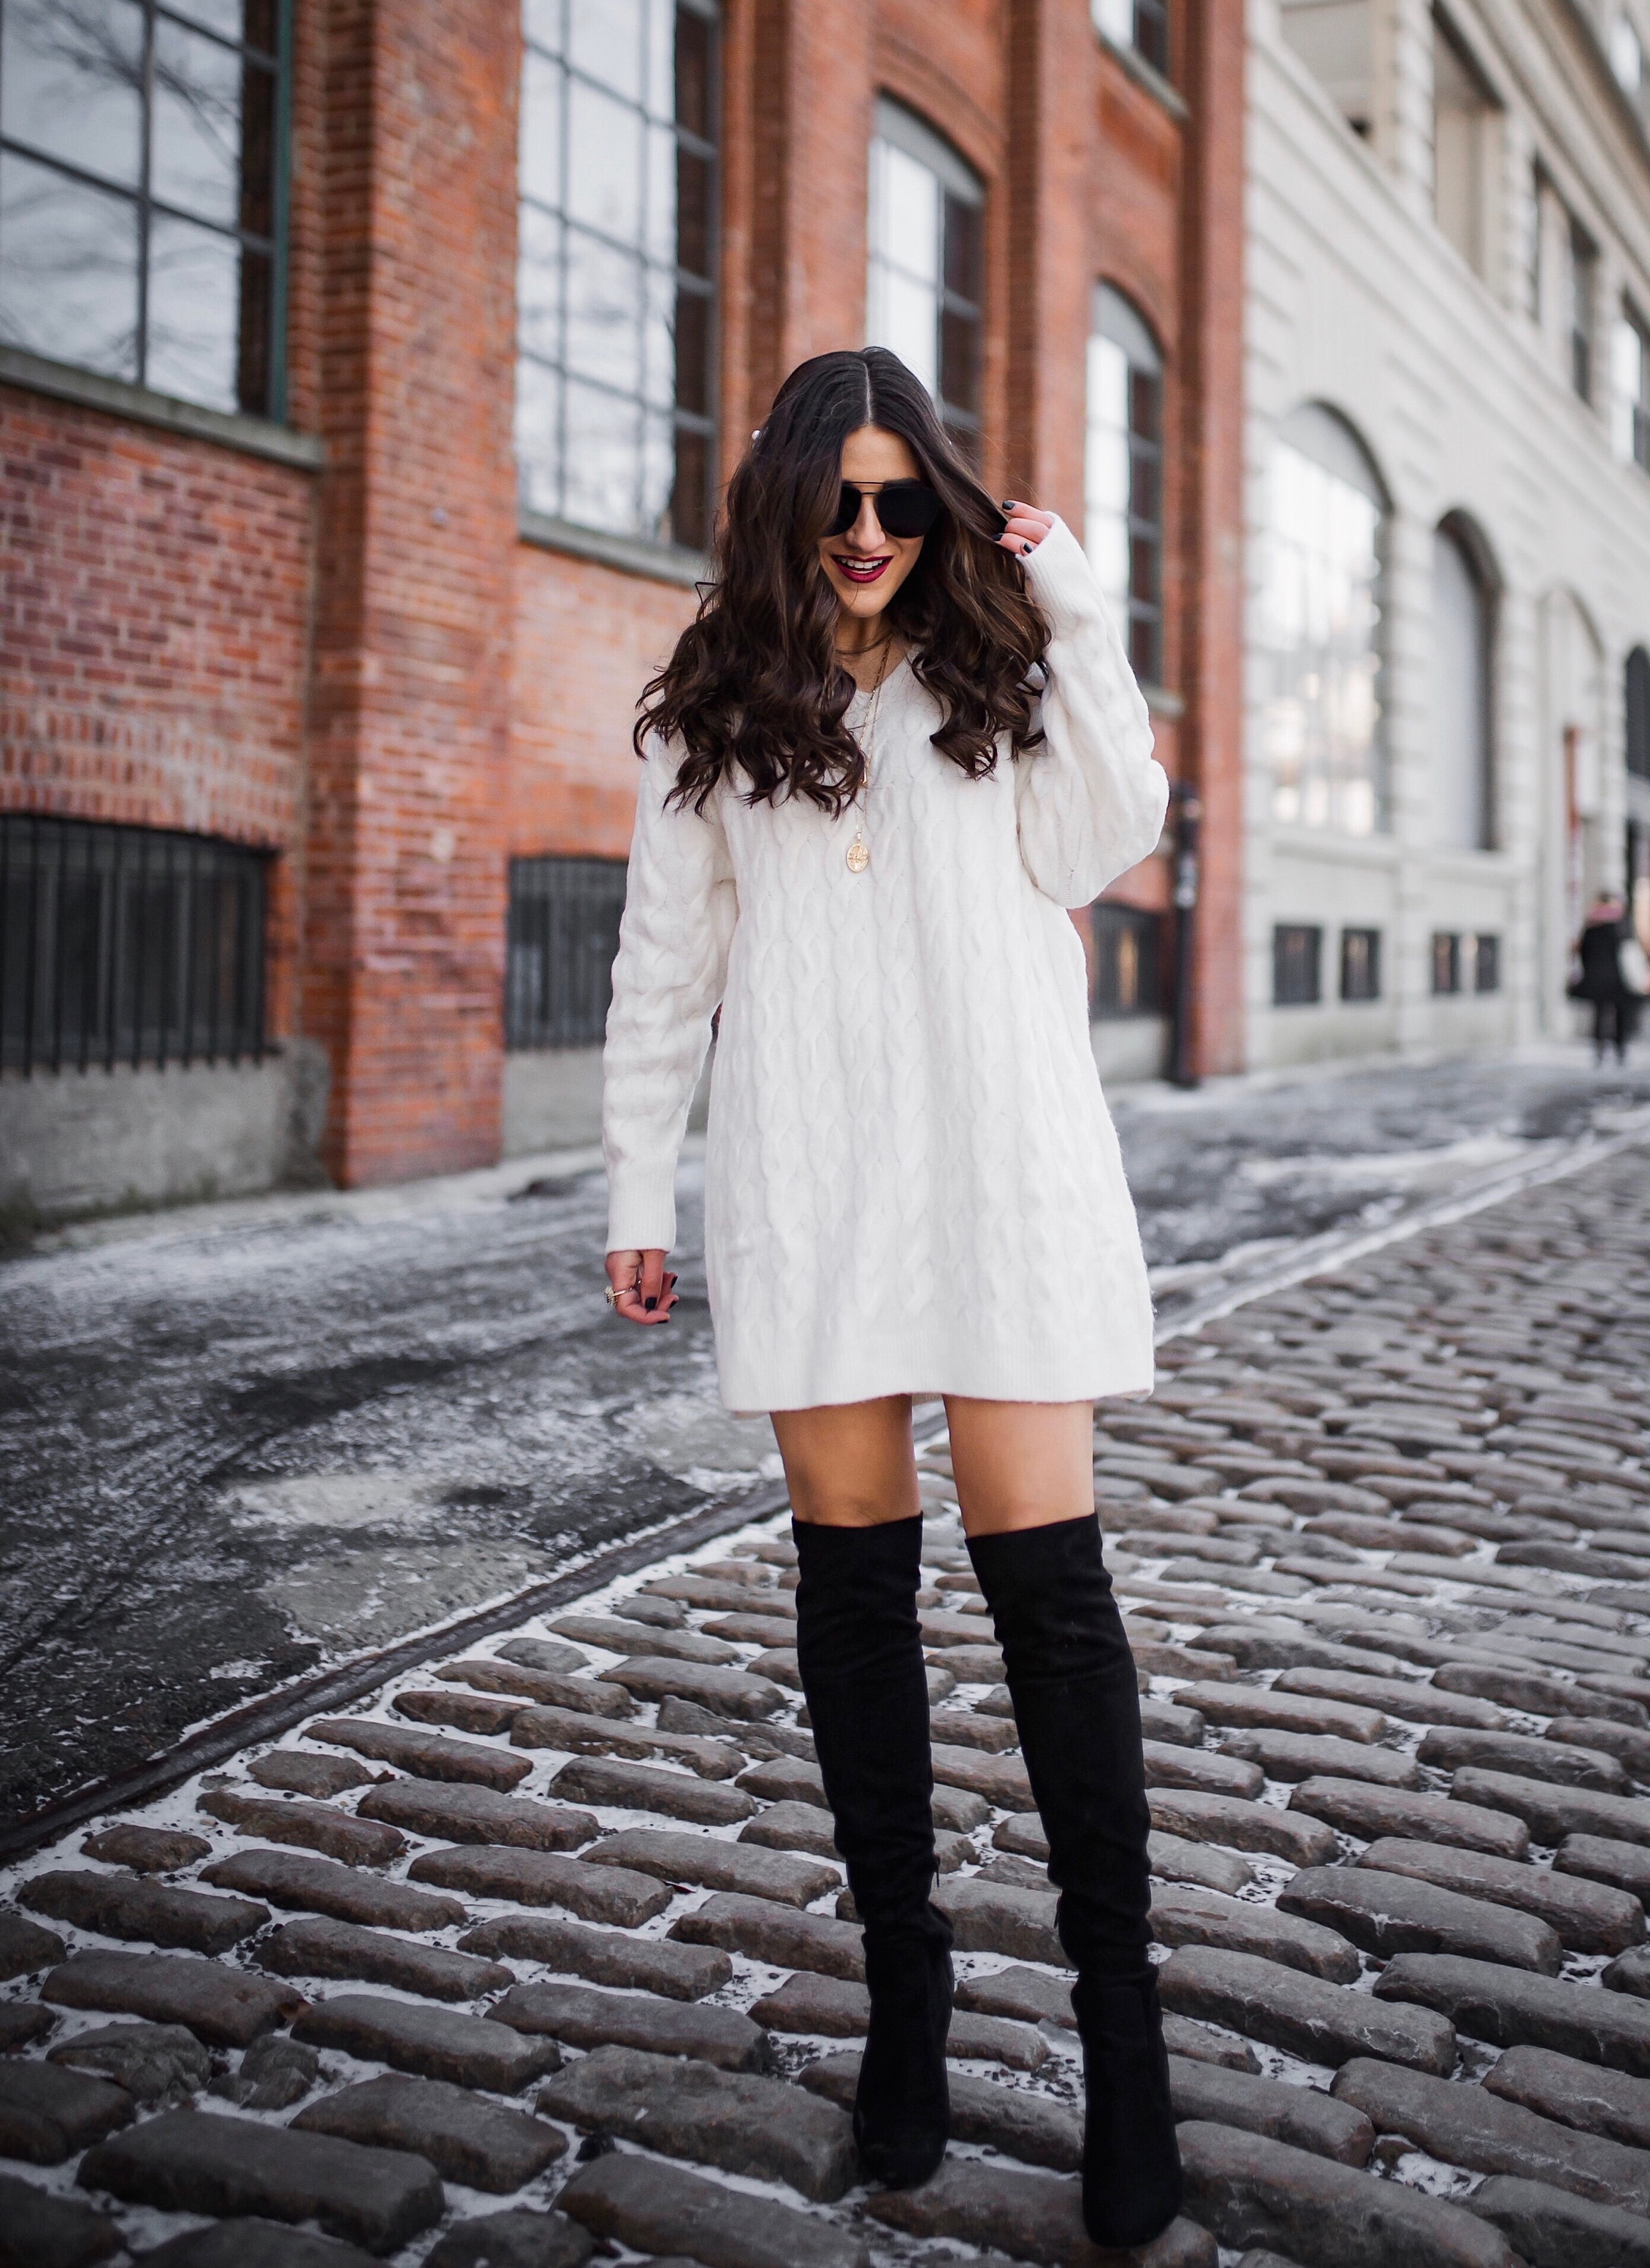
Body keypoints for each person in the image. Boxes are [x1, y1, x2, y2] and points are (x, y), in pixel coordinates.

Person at [599, 346, 1180, 2250]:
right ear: (786, 502)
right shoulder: (714, 709)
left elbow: (1114, 835)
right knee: (855, 1601)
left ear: (937, 502)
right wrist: (633, 1182)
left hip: (999, 1188)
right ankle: (906, 2003)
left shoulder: (1002, 680)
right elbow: (660, 968)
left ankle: (1125, 2039)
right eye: (835, 500)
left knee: (1052, 1610)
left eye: (899, 498)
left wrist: (1079, 608)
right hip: (813, 1185)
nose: (866, 533)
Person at [1572, 892, 1649, 1062]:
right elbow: (1630, 949)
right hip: (1620, 978)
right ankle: (1620, 1048)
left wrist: (1590, 971)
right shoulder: (1620, 923)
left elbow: (1583, 951)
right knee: (1621, 1012)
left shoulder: (1591, 925)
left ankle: (1599, 1049)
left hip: (1597, 977)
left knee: (1599, 1013)